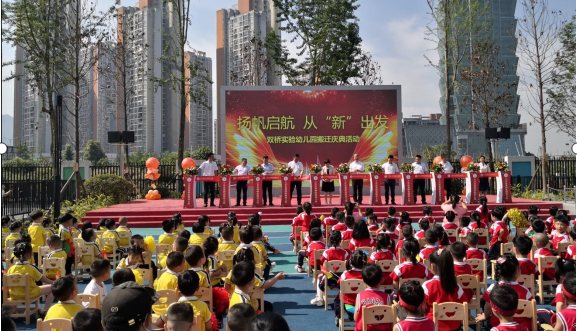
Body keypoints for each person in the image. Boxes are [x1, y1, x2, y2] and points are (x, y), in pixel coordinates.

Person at [477, 254, 533, 330]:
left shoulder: (493, 287)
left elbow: (487, 307)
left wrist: (485, 316)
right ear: (517, 271)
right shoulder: (525, 290)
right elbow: (531, 308)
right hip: (522, 326)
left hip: (498, 323)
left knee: (485, 322)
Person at [423, 250, 467, 331]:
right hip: (454, 327)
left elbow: (422, 307)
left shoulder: (426, 286)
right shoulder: (456, 286)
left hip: (432, 325)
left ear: (432, 266)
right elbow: (463, 305)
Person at [7, 241, 54, 314]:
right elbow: (43, 279)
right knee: (52, 288)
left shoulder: (11, 269)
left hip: (14, 295)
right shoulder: (31, 268)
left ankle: (13, 311)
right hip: (30, 294)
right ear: (29, 254)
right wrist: (54, 283)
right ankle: (45, 310)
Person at [354, 264, 392, 331]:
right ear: (381, 280)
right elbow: (389, 317)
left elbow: (355, 318)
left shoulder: (360, 296)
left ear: (363, 280)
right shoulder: (386, 297)